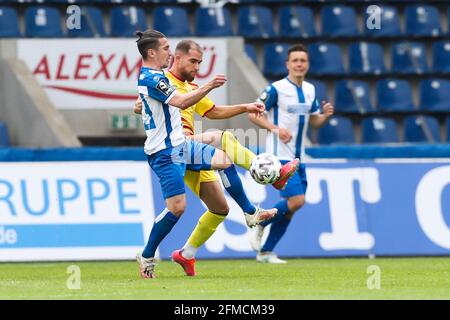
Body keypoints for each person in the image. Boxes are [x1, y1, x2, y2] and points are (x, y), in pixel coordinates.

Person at [134, 39, 299, 276]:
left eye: (200, 63)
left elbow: (213, 112)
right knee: (220, 140)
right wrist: (139, 106)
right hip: (170, 149)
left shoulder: (191, 88)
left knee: (220, 207)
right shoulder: (161, 81)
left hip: (185, 146)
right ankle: (263, 188)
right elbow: (143, 102)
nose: (197, 68)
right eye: (193, 62)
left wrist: (245, 107)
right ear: (176, 59)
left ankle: (187, 254)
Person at [248, 44, 334, 264]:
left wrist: (324, 116)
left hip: (300, 158)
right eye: (295, 60)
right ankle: (260, 220)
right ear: (287, 64)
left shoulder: (310, 90)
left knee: (292, 208)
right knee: (296, 201)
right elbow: (253, 115)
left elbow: (314, 120)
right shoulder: (276, 89)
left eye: (302, 60)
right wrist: (275, 129)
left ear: (307, 64)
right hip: (280, 157)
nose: (299, 64)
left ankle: (266, 252)